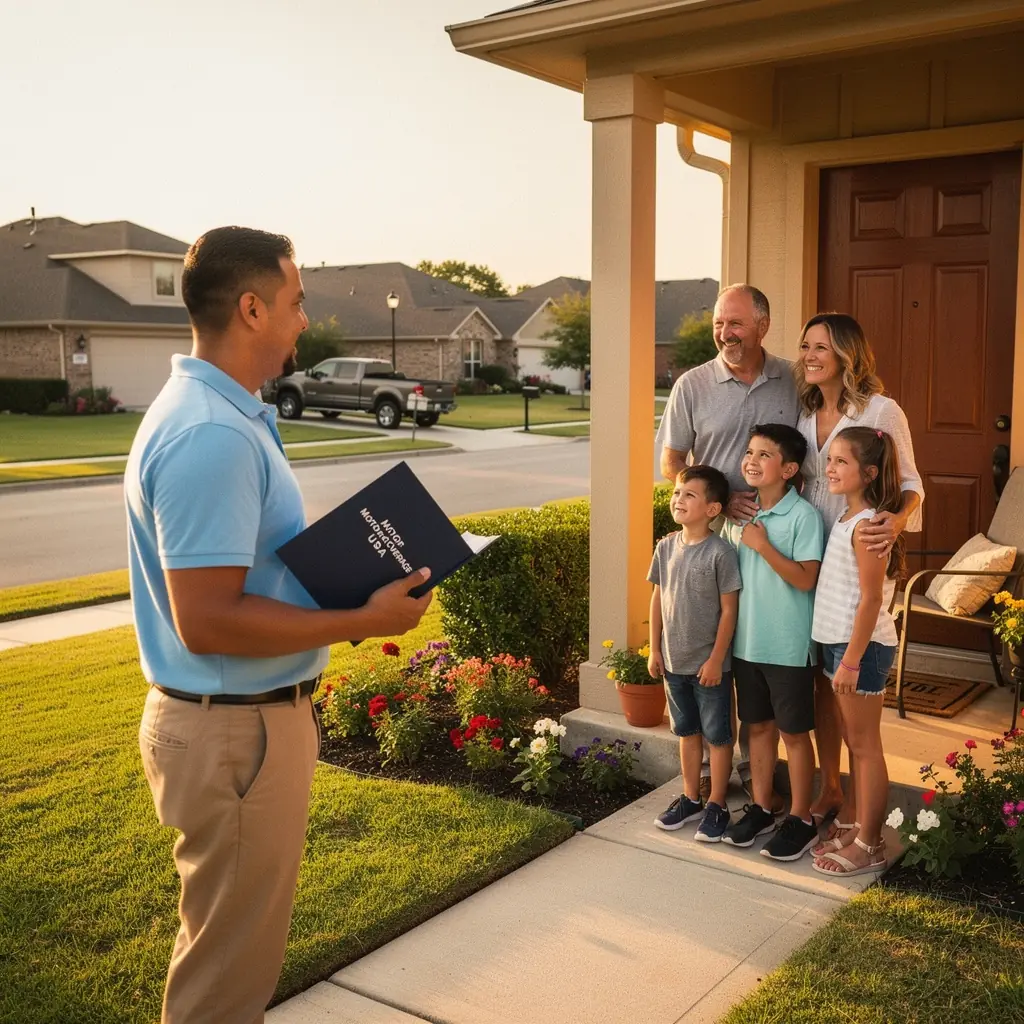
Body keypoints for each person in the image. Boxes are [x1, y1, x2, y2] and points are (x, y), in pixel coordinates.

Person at [126, 226, 433, 1024]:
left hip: (239, 727)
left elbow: (240, 573)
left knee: (234, 959)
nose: (305, 321)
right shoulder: (212, 433)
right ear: (253, 307)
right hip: (235, 735)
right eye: (297, 303)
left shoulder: (227, 415)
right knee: (224, 984)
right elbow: (208, 619)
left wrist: (348, 567)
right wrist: (360, 616)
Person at [657, 284, 800, 803]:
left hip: (774, 540)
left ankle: (751, 769)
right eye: (720, 323)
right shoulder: (692, 385)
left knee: (756, 652)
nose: (725, 334)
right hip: (713, 540)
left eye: (735, 323)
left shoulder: (793, 378)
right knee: (712, 647)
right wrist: (725, 495)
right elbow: (672, 464)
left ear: (763, 324)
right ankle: (710, 770)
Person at [793, 312, 923, 831]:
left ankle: (858, 809)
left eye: (821, 346)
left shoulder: (881, 411)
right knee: (822, 682)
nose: (809, 355)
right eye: (805, 346)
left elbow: (911, 480)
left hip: (858, 550)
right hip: (813, 555)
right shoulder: (804, 413)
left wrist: (895, 521)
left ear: (847, 353)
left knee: (850, 675)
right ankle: (830, 788)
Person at [721, 424, 824, 861]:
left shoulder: (803, 517)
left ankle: (802, 818)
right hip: (747, 644)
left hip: (788, 647)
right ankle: (763, 807)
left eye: (764, 454)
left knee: (794, 734)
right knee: (756, 727)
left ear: (789, 469)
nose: (751, 460)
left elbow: (805, 579)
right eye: (749, 452)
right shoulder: (740, 517)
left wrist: (762, 546)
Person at [810, 427, 904, 876]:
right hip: (840, 647)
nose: (830, 468)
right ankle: (855, 823)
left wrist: (849, 659)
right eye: (829, 460)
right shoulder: (848, 519)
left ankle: (870, 844)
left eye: (841, 462)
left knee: (866, 747)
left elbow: (871, 601)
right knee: (854, 742)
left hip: (860, 651)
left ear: (868, 472)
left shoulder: (868, 526)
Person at [647, 466, 742, 842]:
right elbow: (657, 598)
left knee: (718, 737)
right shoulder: (665, 546)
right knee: (687, 732)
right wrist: (654, 649)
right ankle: (690, 797)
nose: (678, 500)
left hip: (710, 667)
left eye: (689, 495)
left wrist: (717, 659)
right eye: (676, 493)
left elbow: (730, 611)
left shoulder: (722, 553)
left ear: (713, 508)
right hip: (673, 661)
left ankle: (717, 803)